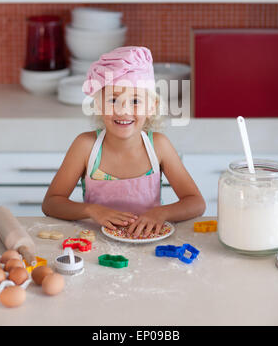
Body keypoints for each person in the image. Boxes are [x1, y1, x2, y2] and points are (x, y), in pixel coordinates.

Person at [42, 46, 205, 238]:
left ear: (151, 107)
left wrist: (162, 213)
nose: (123, 110)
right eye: (113, 100)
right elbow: (51, 203)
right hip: (95, 246)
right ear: (99, 105)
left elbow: (196, 202)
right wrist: (92, 210)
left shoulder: (158, 146)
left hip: (148, 247)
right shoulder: (85, 146)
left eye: (135, 101)